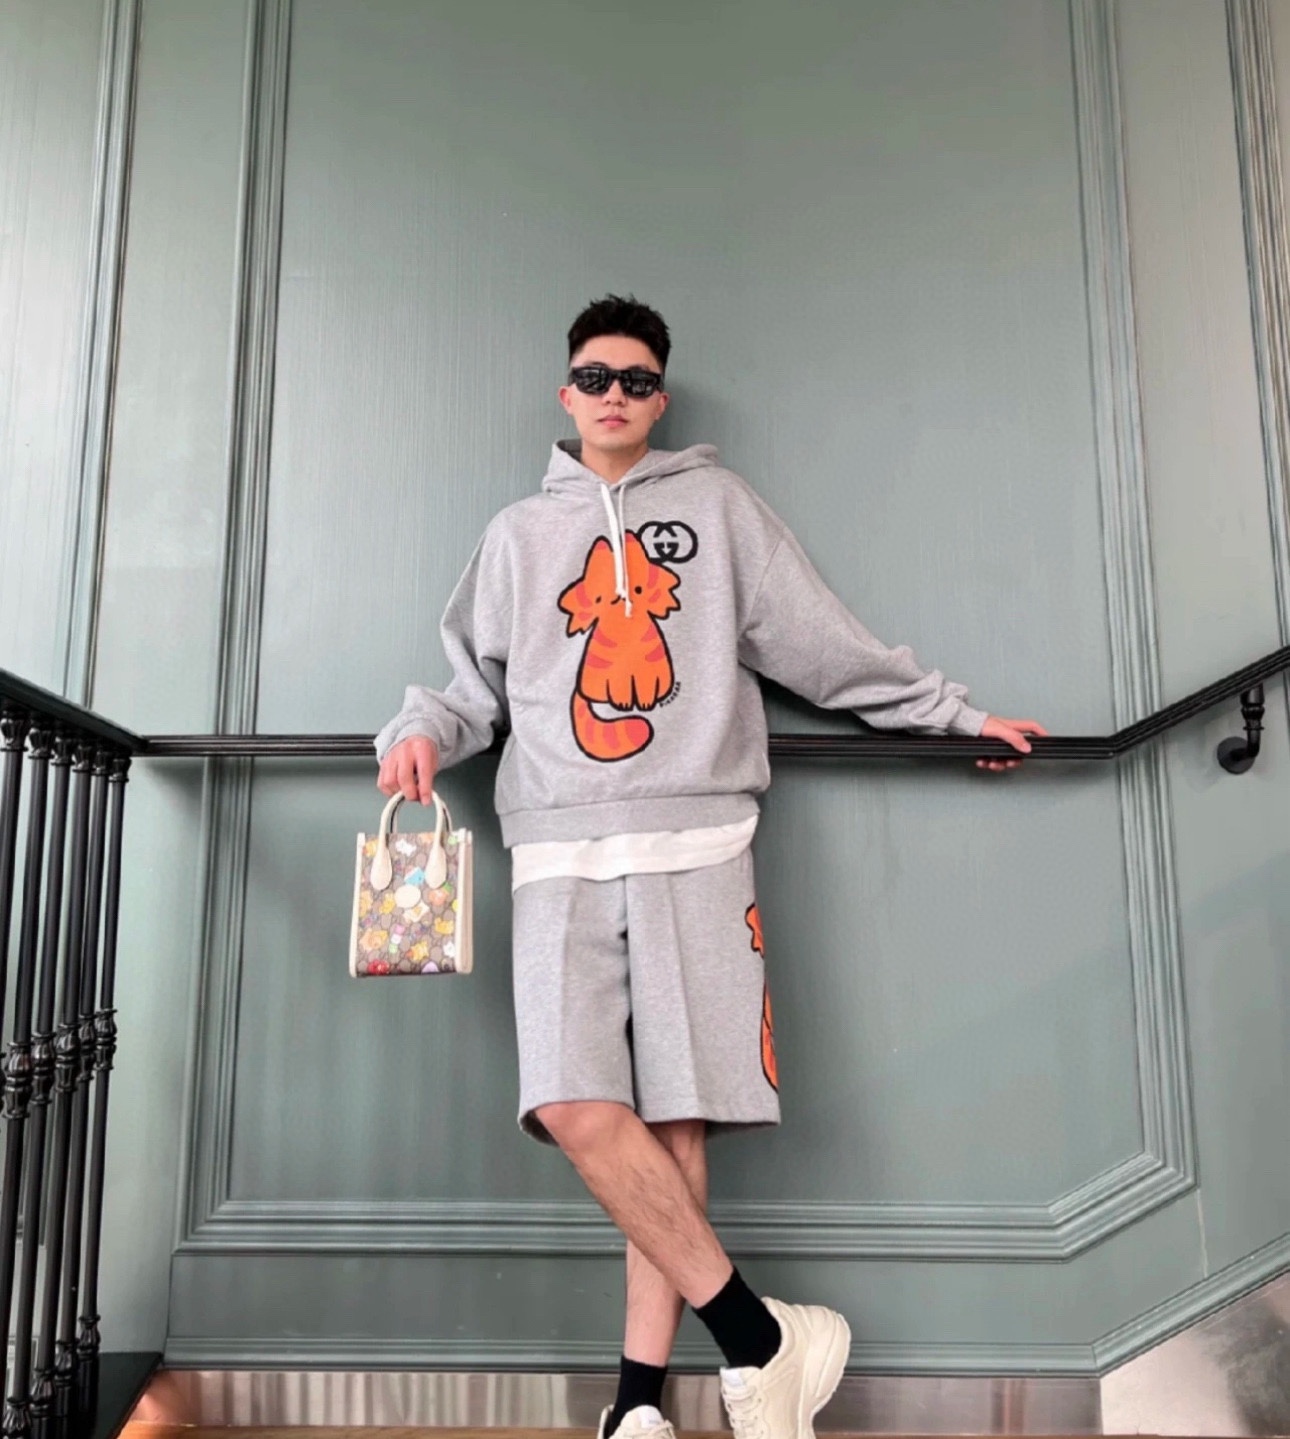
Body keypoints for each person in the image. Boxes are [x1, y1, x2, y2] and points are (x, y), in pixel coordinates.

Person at [375, 295, 1045, 1439]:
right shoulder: (516, 535)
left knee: (676, 1126)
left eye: (637, 380)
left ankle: (638, 1406)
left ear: (661, 397)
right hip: (557, 846)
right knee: (575, 1105)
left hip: (699, 842)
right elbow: (468, 684)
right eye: (597, 377)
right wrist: (420, 731)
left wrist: (953, 715)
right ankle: (761, 1338)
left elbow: (824, 645)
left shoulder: (722, 508)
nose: (615, 396)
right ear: (566, 393)